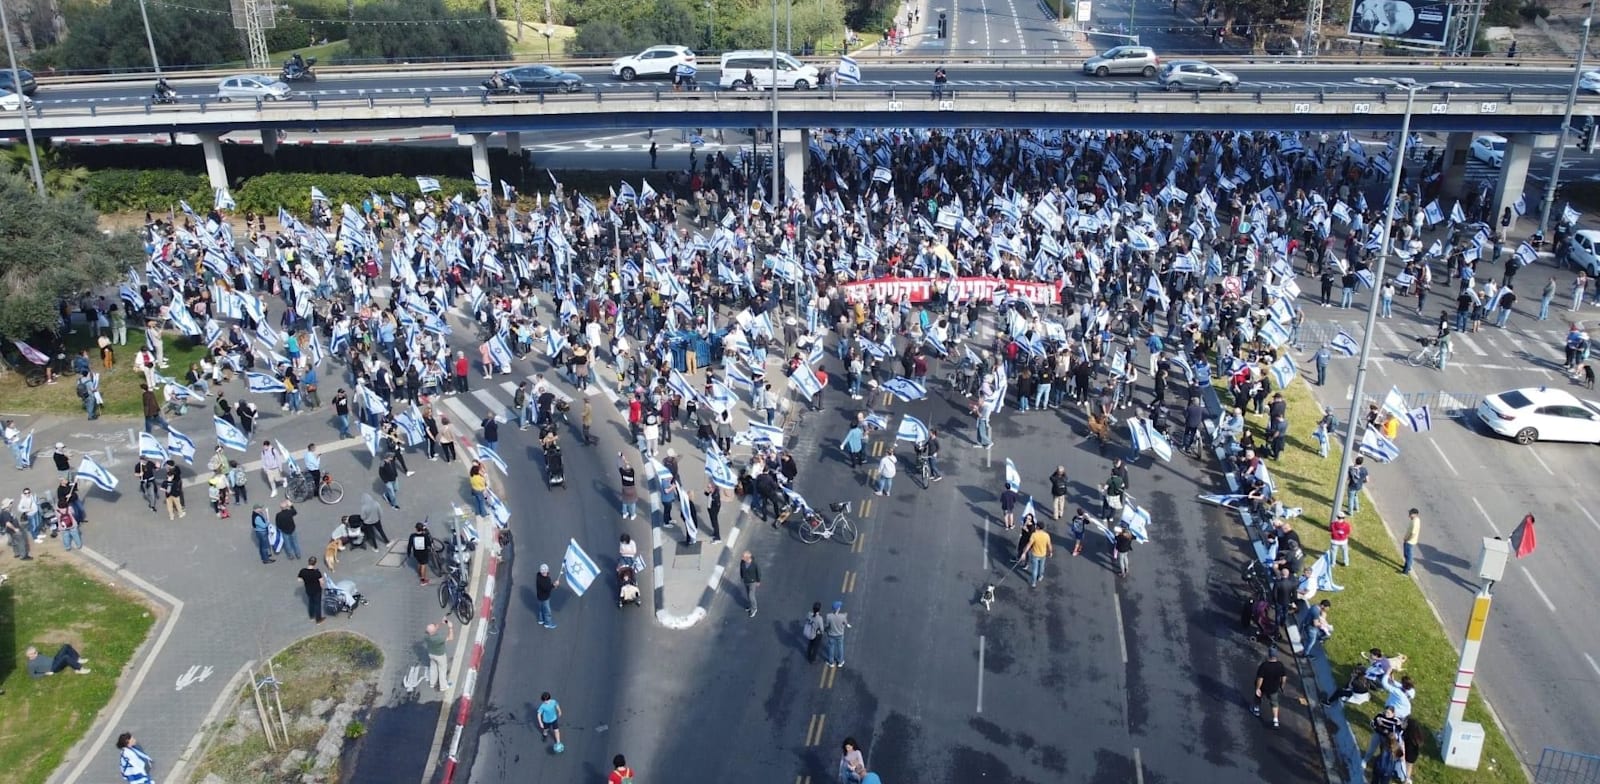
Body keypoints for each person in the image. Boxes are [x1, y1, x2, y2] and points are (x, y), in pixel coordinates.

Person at [1251, 647, 1288, 728]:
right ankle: (1275, 720)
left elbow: (1260, 678)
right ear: (1276, 656)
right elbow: (1284, 677)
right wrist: (1282, 686)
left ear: (1269, 655)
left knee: (1258, 697)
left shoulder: (1264, 666)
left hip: (1263, 687)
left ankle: (1256, 710)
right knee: (1274, 704)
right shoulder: (1280, 665)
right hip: (1274, 688)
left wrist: (1258, 688)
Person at [1021, 516, 1052, 588]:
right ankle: (1040, 576)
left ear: (1037, 527)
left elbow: (1029, 545)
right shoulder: (1046, 535)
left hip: (1035, 554)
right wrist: (1050, 552)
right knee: (1041, 567)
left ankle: (1033, 582)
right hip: (1043, 554)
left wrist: (1024, 553)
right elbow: (1049, 545)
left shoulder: (1034, 535)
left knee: (1035, 569)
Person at [424, 619, 454, 693]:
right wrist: (450, 627)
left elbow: (434, 628)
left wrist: (441, 623)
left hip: (431, 654)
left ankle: (432, 683)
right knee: (442, 670)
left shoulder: (426, 635)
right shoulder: (438, 638)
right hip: (440, 655)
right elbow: (451, 638)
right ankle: (443, 686)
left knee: (433, 668)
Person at [26, 643, 91, 676]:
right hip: (53, 668)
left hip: (54, 660)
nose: (37, 653)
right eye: (34, 652)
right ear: (29, 655)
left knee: (66, 646)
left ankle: (77, 659)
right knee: (66, 657)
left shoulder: (36, 656)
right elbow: (33, 675)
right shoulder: (31, 664)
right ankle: (79, 669)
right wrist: (45, 673)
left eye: (36, 651)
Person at [297, 556, 326, 624]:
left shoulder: (303, 571)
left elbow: (299, 579)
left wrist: (305, 580)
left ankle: (311, 616)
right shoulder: (316, 572)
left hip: (308, 590)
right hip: (317, 590)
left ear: (308, 562)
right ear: (315, 563)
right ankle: (318, 619)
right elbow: (322, 582)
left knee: (311, 602)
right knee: (317, 604)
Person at [823, 600, 851, 668]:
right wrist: (847, 624)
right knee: (840, 647)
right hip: (840, 635)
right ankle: (840, 662)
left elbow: (827, 625)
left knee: (831, 648)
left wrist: (825, 630)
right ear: (838, 609)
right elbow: (845, 623)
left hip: (831, 635)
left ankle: (831, 662)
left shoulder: (828, 616)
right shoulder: (842, 616)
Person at [535, 563, 560, 629]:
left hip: (539, 597)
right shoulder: (546, 580)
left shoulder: (538, 576)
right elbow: (547, 588)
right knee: (547, 611)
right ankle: (548, 623)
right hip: (545, 598)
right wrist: (554, 585)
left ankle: (541, 620)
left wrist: (553, 585)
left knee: (541, 609)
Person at [740, 551, 761, 618]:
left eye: (743, 557)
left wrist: (758, 581)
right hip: (746, 581)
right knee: (748, 594)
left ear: (747, 558)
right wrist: (742, 577)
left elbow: (758, 572)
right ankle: (750, 605)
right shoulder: (742, 562)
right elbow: (741, 570)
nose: (742, 558)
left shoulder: (754, 564)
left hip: (752, 582)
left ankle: (754, 609)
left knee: (751, 595)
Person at [1401, 508, 1421, 574]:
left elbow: (1413, 533)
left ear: (1415, 514)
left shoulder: (1415, 522)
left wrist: (1407, 539)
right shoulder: (1416, 520)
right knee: (1407, 555)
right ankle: (1407, 567)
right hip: (1411, 541)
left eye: (1411, 514)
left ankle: (1405, 571)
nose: (1409, 515)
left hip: (1409, 542)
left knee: (1408, 556)